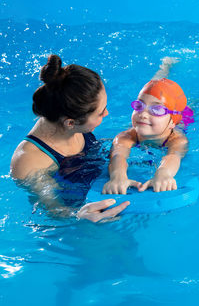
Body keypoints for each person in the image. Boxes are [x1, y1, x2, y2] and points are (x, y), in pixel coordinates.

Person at [10, 54, 130, 222]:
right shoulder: (29, 161)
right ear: (71, 123)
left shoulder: (69, 106)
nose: (107, 113)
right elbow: (52, 210)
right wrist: (78, 216)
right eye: (101, 112)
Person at [102, 77, 194, 195]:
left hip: (184, 121)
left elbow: (173, 156)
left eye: (157, 109)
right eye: (139, 105)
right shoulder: (125, 136)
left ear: (172, 122)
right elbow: (118, 155)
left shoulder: (178, 140)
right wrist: (117, 176)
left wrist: (163, 173)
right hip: (159, 122)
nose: (143, 114)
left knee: (190, 108)